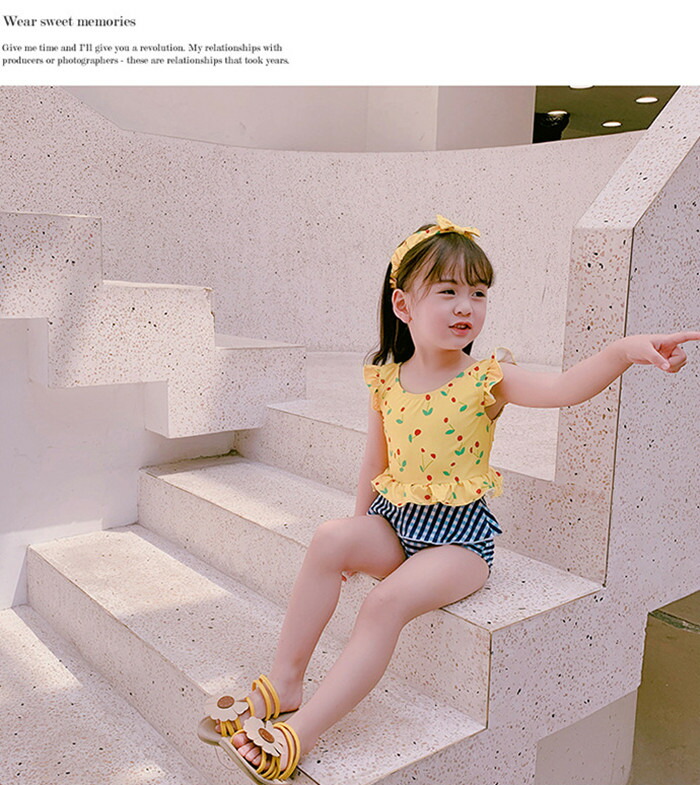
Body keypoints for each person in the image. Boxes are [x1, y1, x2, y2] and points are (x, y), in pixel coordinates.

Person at [198, 215, 700, 783]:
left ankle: (304, 730)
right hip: (396, 526)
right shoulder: (386, 381)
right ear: (403, 305)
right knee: (329, 538)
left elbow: (564, 389)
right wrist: (358, 535)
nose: (466, 307)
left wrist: (625, 351)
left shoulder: (487, 377)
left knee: (383, 605)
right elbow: (374, 465)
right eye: (448, 291)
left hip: (458, 547)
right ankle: (285, 683)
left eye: (478, 293)